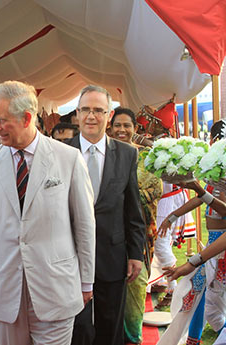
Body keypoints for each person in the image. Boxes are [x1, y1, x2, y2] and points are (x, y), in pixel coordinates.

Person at [0, 81, 96, 344]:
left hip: (56, 289)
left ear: (27, 117)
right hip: (5, 290)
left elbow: (84, 226)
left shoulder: (69, 159)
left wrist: (86, 282)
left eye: (1, 120)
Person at [68, 85, 145, 345]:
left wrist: (136, 254)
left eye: (98, 110)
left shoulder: (127, 154)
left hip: (112, 256)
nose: (91, 116)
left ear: (108, 115)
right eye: (85, 110)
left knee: (110, 326)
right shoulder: (59, 153)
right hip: (69, 257)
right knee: (76, 328)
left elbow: (133, 210)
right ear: (76, 114)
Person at [158, 119, 226, 344]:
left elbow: (223, 209)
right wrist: (172, 215)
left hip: (221, 248)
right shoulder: (217, 173)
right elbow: (202, 197)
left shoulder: (223, 175)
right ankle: (195, 338)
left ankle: (194, 339)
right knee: (201, 297)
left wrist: (194, 261)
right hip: (215, 243)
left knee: (201, 296)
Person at [109, 106, 163, 344]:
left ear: (135, 128)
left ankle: (133, 336)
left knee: (136, 281)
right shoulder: (105, 155)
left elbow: (155, 190)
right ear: (110, 128)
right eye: (117, 125)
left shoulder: (147, 157)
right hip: (108, 231)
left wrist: (121, 195)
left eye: (126, 125)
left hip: (139, 230)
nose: (122, 130)